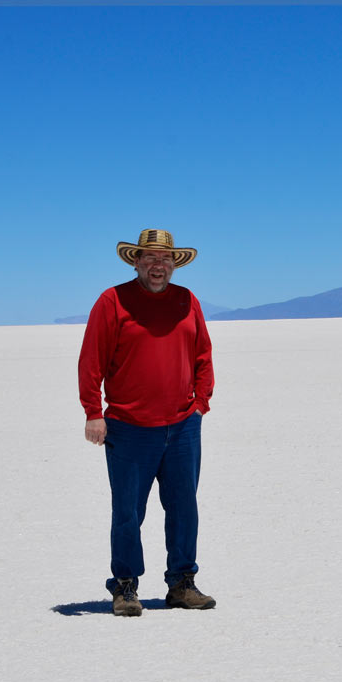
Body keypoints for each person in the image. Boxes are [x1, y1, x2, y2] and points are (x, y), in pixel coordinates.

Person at [78, 228, 216, 616]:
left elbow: (202, 353)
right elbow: (92, 360)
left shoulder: (187, 300)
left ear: (175, 264)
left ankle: (182, 583)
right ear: (136, 261)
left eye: (166, 259)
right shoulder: (112, 301)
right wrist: (93, 411)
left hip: (183, 426)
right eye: (151, 259)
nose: (159, 266)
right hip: (129, 426)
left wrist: (201, 402)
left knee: (184, 507)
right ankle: (125, 587)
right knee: (127, 512)